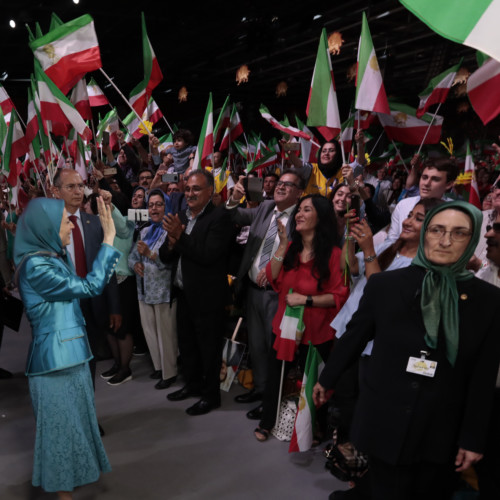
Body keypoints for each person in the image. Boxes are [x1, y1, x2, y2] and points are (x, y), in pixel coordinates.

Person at [314, 201, 500, 500]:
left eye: (460, 233)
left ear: (472, 239)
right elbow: (355, 336)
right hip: (384, 415)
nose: (445, 240)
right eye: (437, 230)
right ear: (426, 234)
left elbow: (483, 375)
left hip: (441, 427)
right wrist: (327, 379)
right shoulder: (386, 286)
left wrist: (473, 438)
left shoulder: (489, 301)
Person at [14, 196, 120, 499]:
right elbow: (89, 287)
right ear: (45, 226)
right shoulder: (36, 266)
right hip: (53, 367)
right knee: (60, 436)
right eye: (62, 220)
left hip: (71, 359)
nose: (68, 223)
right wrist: (109, 238)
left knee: (75, 431)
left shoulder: (51, 257)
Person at [253, 194, 349, 441]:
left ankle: (315, 426)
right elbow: (271, 277)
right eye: (299, 210)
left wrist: (305, 300)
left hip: (317, 329)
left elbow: (339, 295)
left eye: (307, 210)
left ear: (321, 216)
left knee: (314, 378)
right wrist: (283, 246)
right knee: (277, 373)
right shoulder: (290, 249)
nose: (299, 214)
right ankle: (268, 421)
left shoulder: (334, 254)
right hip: (286, 325)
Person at [225, 171, 304, 420]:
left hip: (279, 295)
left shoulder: (301, 219)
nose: (280, 187)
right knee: (257, 345)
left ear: (299, 193)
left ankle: (273, 399)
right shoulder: (266, 207)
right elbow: (235, 215)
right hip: (252, 290)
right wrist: (233, 199)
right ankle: (260, 390)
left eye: (287, 185)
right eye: (279, 183)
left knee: (274, 349)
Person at [160, 170, 236, 416]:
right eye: (188, 188)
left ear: (210, 191)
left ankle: (210, 396)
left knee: (209, 349)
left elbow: (207, 255)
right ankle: (192, 386)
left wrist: (180, 236)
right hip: (183, 294)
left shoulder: (220, 218)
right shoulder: (181, 215)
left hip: (208, 298)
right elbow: (164, 256)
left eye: (196, 189)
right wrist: (172, 243)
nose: (190, 193)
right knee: (188, 345)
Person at [52, 169, 122, 387]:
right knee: (67, 366)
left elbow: (106, 266)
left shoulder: (95, 224)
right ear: (56, 191)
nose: (78, 191)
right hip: (63, 309)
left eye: (81, 186)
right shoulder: (48, 226)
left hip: (93, 306)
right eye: (70, 187)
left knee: (89, 362)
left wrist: (114, 307)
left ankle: (88, 417)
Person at [129, 189, 178, 390]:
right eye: (150, 205)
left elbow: (169, 263)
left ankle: (170, 372)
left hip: (164, 290)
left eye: (159, 204)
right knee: (150, 331)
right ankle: (159, 367)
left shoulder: (171, 231)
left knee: (166, 334)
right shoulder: (145, 231)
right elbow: (132, 256)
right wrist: (135, 265)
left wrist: (149, 254)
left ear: (167, 206)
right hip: (144, 289)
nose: (154, 208)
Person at [475, 212, 500, 499]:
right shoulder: (486, 274)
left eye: (498, 229)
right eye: (491, 227)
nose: (488, 234)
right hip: (485, 393)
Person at [385, 157, 458, 242]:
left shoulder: (455, 213)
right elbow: (391, 240)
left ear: (448, 184)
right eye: (424, 177)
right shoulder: (403, 205)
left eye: (435, 179)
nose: (426, 183)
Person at [285, 131, 366, 196]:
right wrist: (290, 154)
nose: (326, 153)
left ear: (337, 154)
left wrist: (359, 144)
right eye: (324, 151)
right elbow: (299, 164)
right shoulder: (312, 169)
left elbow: (359, 163)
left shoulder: (344, 171)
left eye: (331, 150)